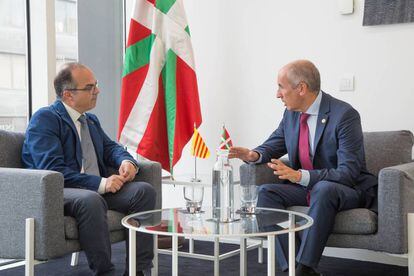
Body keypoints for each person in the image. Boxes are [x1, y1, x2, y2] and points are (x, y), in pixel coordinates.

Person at [229, 60, 377, 276]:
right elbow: (276, 142)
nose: (277, 94)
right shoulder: (291, 114)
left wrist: (300, 176)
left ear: (301, 88)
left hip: (346, 189)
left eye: (281, 87)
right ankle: (293, 269)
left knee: (324, 189)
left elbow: (348, 172)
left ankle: (305, 268)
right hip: (307, 188)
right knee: (266, 194)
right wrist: (254, 154)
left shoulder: (344, 115)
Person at [22, 62, 155, 276]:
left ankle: (138, 270)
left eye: (96, 85)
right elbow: (52, 171)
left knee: (143, 192)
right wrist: (102, 183)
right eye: (90, 87)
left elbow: (111, 148)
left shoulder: (90, 120)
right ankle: (105, 272)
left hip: (92, 188)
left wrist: (126, 162)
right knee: (91, 200)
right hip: (59, 191)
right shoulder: (45, 119)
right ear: (68, 95)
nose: (97, 91)